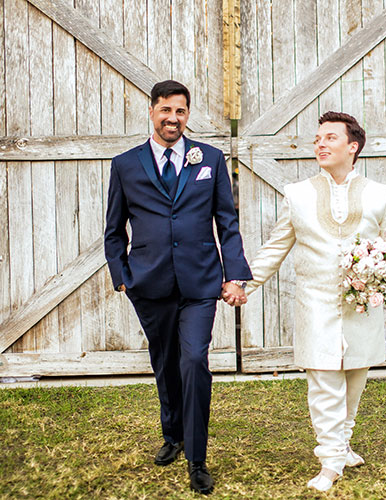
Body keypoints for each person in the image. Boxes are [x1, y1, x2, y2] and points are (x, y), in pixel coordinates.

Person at [240, 111, 386, 491]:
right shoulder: (297, 194)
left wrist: (375, 265)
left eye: (330, 137)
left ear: (353, 146)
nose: (320, 144)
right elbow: (276, 246)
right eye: (317, 138)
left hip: (361, 303)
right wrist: (245, 285)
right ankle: (330, 461)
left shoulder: (382, 194)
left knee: (354, 380)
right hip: (315, 305)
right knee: (325, 383)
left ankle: (342, 444)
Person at [104, 80, 251, 495]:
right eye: (166, 110)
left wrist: (234, 274)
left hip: (200, 282)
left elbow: (228, 222)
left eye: (181, 112)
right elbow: (114, 230)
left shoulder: (211, 159)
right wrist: (122, 277)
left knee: (192, 361)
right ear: (152, 111)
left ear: (188, 115)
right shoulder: (125, 164)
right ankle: (172, 436)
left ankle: (197, 458)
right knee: (165, 363)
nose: (173, 119)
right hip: (149, 283)